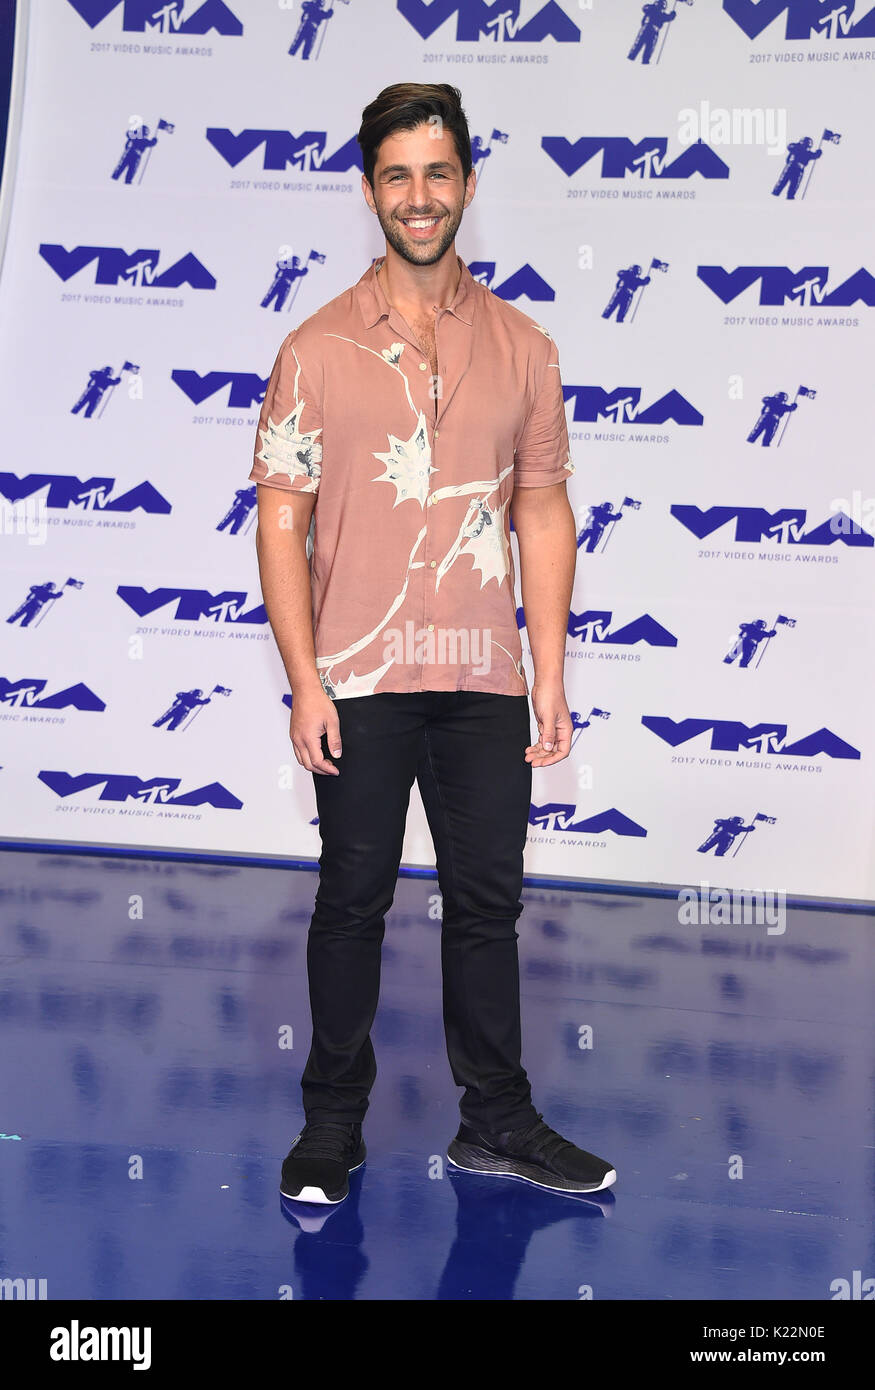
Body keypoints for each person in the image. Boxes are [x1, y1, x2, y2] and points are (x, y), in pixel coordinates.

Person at [249, 83, 617, 1205]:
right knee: (350, 898)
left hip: (479, 674)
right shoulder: (311, 349)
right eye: (397, 175)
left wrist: (547, 670)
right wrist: (303, 681)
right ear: (370, 191)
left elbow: (542, 509)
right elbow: (280, 520)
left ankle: (493, 1122)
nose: (420, 197)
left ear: (466, 183)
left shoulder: (523, 345)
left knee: (488, 904)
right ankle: (330, 1127)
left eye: (438, 172)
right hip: (358, 676)